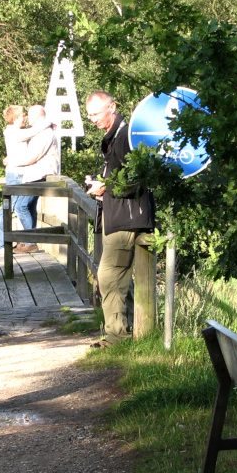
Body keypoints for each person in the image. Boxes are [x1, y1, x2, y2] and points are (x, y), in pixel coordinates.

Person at [84, 91, 155, 349]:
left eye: (96, 113)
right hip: (119, 215)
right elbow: (117, 174)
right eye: (89, 115)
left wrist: (106, 188)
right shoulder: (115, 136)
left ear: (112, 107)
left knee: (108, 275)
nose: (92, 119)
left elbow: (138, 178)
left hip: (127, 217)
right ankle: (137, 330)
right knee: (119, 277)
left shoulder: (126, 136)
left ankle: (117, 337)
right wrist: (100, 182)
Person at [0, 105, 54, 253]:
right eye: (22, 116)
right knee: (7, 208)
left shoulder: (17, 132)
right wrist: (49, 122)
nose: (24, 118)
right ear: (15, 119)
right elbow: (35, 130)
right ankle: (0, 245)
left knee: (21, 207)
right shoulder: (13, 132)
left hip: (20, 174)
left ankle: (28, 241)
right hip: (15, 174)